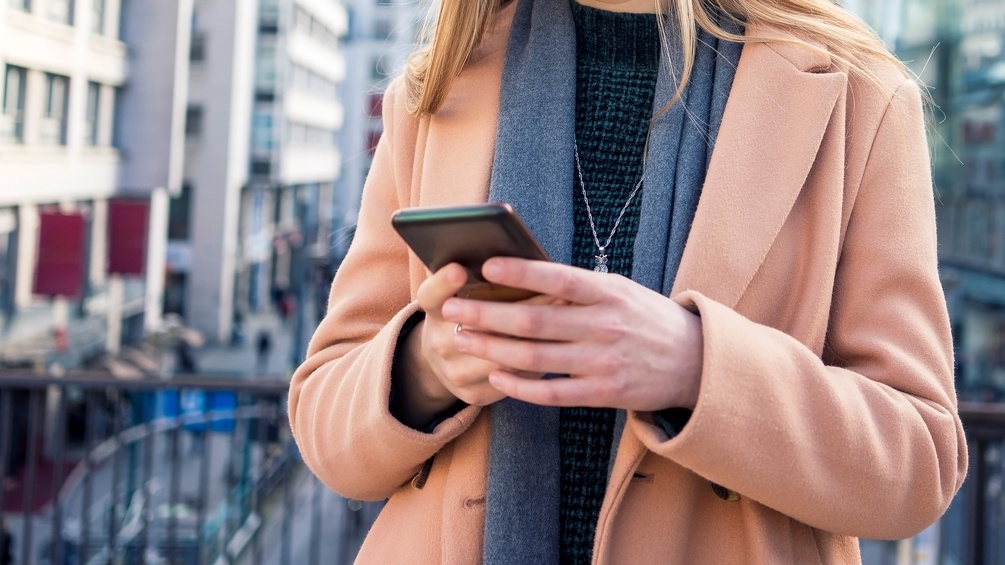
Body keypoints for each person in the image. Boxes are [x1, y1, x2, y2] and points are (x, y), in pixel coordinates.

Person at [289, 0, 969, 562]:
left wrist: (697, 368)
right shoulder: (434, 89)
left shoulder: (858, 97)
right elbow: (326, 427)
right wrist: (428, 364)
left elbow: (917, 465)